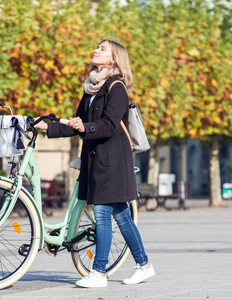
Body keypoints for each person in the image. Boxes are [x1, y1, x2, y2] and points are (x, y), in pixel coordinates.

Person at [34, 39, 155, 288]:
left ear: (113, 59)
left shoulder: (116, 87)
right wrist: (47, 126)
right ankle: (144, 265)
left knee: (101, 213)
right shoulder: (91, 88)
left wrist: (85, 126)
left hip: (112, 162)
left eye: (102, 49)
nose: (95, 50)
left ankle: (99, 272)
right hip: (95, 159)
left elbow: (109, 126)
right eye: (96, 47)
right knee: (122, 216)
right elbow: (76, 122)